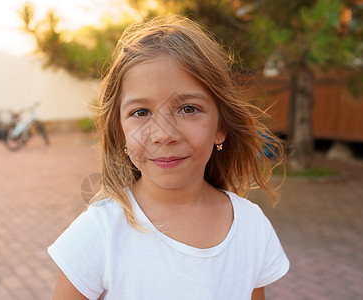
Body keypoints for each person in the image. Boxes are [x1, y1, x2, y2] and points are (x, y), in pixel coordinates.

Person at [48, 15, 289, 300]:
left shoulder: (252, 227)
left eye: (188, 109)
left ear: (221, 127)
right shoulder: (99, 232)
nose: (164, 134)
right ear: (120, 131)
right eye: (141, 112)